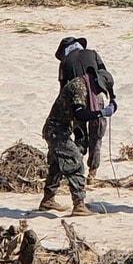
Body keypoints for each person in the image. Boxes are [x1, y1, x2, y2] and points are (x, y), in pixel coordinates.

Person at [55, 36, 117, 188]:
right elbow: (106, 76)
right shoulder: (93, 54)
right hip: (98, 98)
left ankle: (76, 170)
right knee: (97, 136)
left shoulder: (64, 63)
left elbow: (63, 89)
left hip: (77, 101)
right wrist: (112, 98)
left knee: (80, 136)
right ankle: (92, 173)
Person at [38, 72, 103, 217]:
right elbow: (79, 114)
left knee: (57, 165)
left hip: (57, 130)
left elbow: (78, 122)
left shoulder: (83, 87)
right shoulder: (79, 88)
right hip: (57, 132)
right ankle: (79, 205)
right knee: (76, 163)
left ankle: (47, 200)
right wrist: (99, 113)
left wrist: (81, 143)